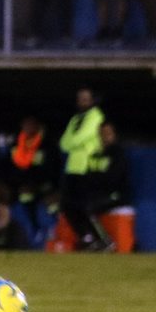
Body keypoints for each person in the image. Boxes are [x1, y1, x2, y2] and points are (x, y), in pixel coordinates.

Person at [58, 87, 109, 250]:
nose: (82, 101)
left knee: (85, 207)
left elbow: (77, 139)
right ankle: (88, 238)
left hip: (87, 167)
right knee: (67, 206)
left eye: (86, 98)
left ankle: (103, 240)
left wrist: (74, 142)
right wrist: (74, 142)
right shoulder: (75, 119)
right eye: (80, 98)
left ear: (93, 100)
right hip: (73, 168)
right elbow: (64, 144)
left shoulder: (96, 115)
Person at [3, 114, 57, 238]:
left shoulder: (46, 144)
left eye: (31, 124)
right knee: (24, 196)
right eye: (25, 125)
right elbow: (11, 167)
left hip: (43, 184)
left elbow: (52, 167)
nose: (28, 127)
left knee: (53, 204)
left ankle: (55, 227)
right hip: (21, 184)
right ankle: (33, 228)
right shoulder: (17, 144)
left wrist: (42, 183)